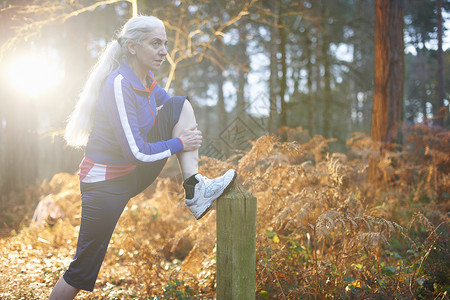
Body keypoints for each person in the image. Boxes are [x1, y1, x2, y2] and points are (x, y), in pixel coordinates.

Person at [49, 15, 236, 299]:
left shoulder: (146, 80)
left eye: (165, 44)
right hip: (104, 185)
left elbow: (173, 110)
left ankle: (195, 189)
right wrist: (179, 143)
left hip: (131, 173)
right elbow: (135, 151)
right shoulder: (119, 84)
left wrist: (182, 137)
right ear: (133, 47)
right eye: (155, 43)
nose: (164, 51)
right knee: (82, 270)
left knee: (178, 104)